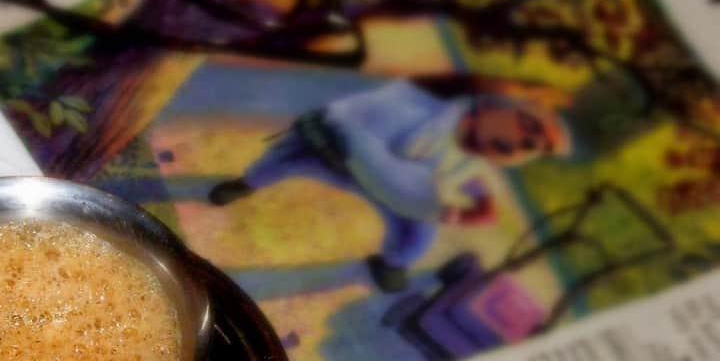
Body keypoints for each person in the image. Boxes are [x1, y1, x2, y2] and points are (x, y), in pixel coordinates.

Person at [209, 79, 571, 291]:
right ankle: (244, 183)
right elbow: (354, 121)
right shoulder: (424, 107)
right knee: (282, 163)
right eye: (526, 127)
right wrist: (449, 211)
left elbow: (471, 197)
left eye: (529, 148)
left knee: (419, 235)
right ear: (496, 106)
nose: (521, 144)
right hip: (336, 149)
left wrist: (470, 208)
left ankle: (391, 262)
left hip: (391, 186)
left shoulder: (472, 161)